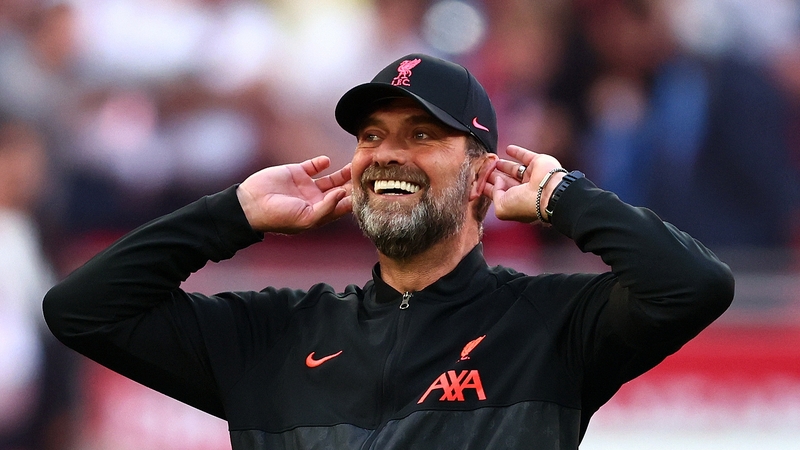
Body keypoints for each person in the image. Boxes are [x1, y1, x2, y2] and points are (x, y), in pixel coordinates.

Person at [43, 54, 734, 449]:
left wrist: (563, 196)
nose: (387, 154)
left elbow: (693, 284)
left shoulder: (551, 326)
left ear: (482, 174)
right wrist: (232, 214)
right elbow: (83, 310)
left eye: (422, 136)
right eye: (372, 135)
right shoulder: (274, 333)